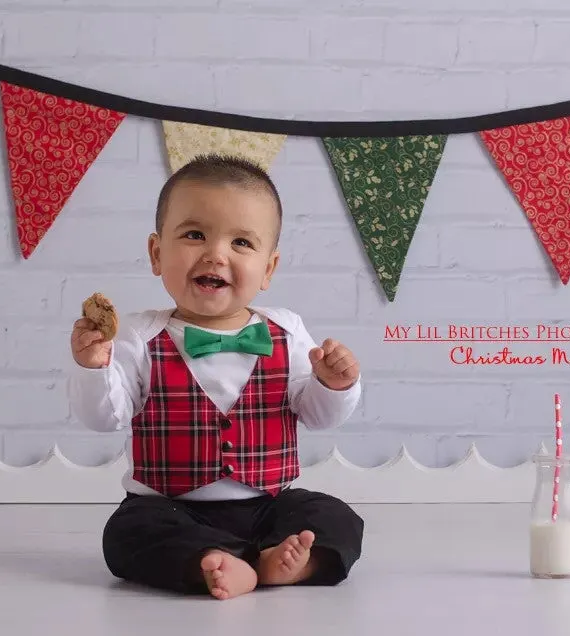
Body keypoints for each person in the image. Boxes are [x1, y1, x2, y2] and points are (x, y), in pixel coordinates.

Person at [67, 154, 364, 600]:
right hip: (169, 507)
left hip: (267, 506)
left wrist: (333, 384)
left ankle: (280, 561)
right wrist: (95, 368)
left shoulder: (287, 331)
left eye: (242, 243)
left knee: (334, 515)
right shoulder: (137, 335)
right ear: (156, 253)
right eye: (194, 234)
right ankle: (217, 561)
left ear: (268, 269)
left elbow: (319, 417)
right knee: (127, 533)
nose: (215, 253)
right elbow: (105, 417)